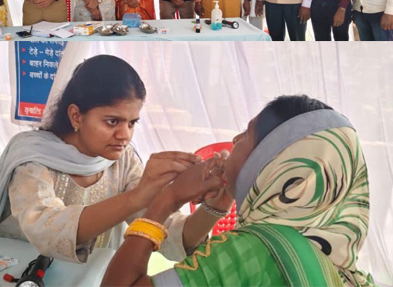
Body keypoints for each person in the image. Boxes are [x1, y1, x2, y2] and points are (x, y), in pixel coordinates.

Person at [0, 55, 232, 264]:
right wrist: (139, 196)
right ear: (76, 116)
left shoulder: (123, 161)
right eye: (112, 121)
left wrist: (216, 206)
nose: (124, 135)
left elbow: (167, 232)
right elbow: (47, 232)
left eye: (132, 122)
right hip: (20, 274)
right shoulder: (34, 159)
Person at [102, 95, 375, 287]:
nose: (234, 140)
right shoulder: (339, 257)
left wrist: (168, 199)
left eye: (246, 134)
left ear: (270, 162)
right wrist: (221, 201)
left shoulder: (253, 250)